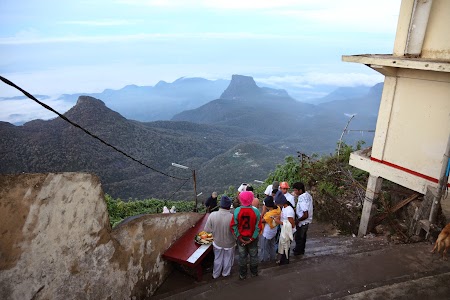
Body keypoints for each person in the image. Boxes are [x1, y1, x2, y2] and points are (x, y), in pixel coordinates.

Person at [230, 191, 263, 280]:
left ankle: (242, 274)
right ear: (251, 199)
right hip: (252, 238)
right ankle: (254, 273)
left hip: (241, 239)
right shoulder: (256, 211)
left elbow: (233, 225)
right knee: (253, 256)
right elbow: (259, 227)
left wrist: (239, 237)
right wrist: (252, 238)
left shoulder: (237, 211)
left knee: (242, 256)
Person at [204, 195, 236, 279]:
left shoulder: (212, 215)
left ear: (220, 205)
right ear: (229, 206)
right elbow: (236, 232)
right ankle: (225, 274)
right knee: (227, 259)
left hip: (217, 242)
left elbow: (207, 230)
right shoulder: (233, 217)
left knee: (217, 259)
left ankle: (216, 275)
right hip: (230, 243)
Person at [273, 190, 295, 265]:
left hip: (288, 231)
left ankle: (285, 262)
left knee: (286, 246)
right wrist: (277, 217)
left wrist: (280, 222)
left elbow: (291, 224)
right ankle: (282, 260)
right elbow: (283, 216)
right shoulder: (284, 208)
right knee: (282, 245)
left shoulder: (289, 210)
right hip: (284, 230)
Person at [292, 182, 314, 256]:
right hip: (307, 221)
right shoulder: (308, 195)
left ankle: (298, 252)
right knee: (303, 237)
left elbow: (305, 214)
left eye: (296, 190)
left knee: (299, 237)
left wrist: (298, 220)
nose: (295, 192)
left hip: (303, 221)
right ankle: (301, 250)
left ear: (300, 190)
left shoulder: (302, 198)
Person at [259, 196, 281, 262]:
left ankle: (264, 260)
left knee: (264, 248)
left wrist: (263, 210)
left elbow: (261, 220)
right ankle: (272, 258)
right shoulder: (278, 209)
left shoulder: (269, 215)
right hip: (274, 230)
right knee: (272, 246)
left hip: (267, 233)